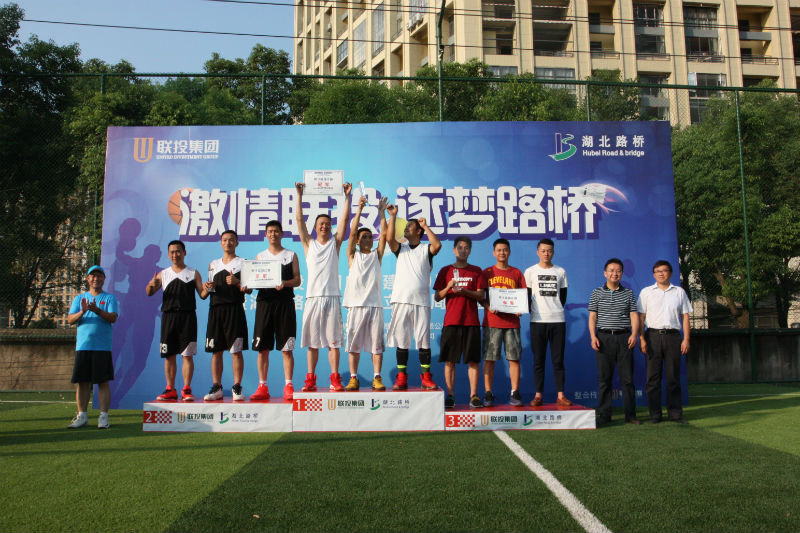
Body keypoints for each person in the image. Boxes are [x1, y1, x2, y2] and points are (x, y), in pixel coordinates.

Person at [295, 181, 352, 392]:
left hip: (332, 297)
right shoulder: (308, 244)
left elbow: (344, 220)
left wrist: (348, 197)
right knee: (312, 343)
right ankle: (310, 380)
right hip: (313, 298)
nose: (324, 226)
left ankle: (335, 379)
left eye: (328, 224)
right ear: (315, 227)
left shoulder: (335, 243)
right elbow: (299, 220)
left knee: (333, 343)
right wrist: (299, 196)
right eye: (321, 224)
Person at [244, 220, 301, 402]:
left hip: (285, 304)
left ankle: (289, 385)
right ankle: (262, 386)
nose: (273, 234)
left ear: (281, 233)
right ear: (266, 234)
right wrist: (246, 286)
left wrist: (285, 283)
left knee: (287, 348)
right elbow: (253, 282)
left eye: (276, 231)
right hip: (265, 304)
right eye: (270, 231)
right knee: (263, 349)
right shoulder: (260, 257)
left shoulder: (291, 255)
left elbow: (297, 280)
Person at [386, 207, 442, 390]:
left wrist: (425, 226)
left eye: (410, 226)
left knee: (423, 341)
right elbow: (389, 239)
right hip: (401, 300)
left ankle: (426, 377)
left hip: (421, 302)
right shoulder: (400, 249)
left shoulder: (426, 249)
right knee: (402, 341)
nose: (406, 228)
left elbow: (437, 246)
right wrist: (393, 216)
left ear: (418, 231)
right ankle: (401, 377)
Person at [145, 240, 208, 402]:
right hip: (169, 317)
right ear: (168, 254)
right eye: (172, 252)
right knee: (169, 355)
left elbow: (202, 294)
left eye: (178, 251)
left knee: (187, 355)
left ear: (184, 252)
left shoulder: (193, 273)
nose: (175, 254)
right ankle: (170, 389)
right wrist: (151, 285)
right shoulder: (163, 274)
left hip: (187, 318)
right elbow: (149, 292)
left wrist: (208, 288)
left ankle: (186, 388)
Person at [342, 196, 389, 391]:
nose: (367, 239)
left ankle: (377, 377)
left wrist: (381, 212)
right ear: (358, 241)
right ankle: (353, 378)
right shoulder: (353, 255)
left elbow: (384, 235)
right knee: (353, 345)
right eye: (364, 237)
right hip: (356, 307)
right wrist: (359, 209)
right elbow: (352, 233)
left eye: (370, 236)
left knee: (376, 346)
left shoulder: (377, 255)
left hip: (374, 306)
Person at [433, 236, 487, 408]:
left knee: (473, 361)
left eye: (466, 248)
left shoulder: (476, 271)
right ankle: (450, 395)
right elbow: (437, 297)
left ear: (470, 251)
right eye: (460, 247)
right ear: (454, 250)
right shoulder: (445, 270)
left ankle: (473, 396)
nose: (463, 250)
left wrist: (464, 291)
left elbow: (481, 295)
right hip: (452, 321)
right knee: (450, 361)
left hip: (471, 321)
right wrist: (449, 286)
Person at [637, 260, 691, 424]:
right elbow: (641, 318)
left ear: (670, 273)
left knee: (673, 377)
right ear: (654, 274)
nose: (661, 273)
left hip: (673, 337)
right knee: (652, 378)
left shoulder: (679, 292)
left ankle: (675, 414)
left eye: (664, 270)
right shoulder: (646, 292)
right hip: (652, 336)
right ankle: (655, 414)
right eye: (657, 271)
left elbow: (685, 316)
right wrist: (641, 338)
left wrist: (686, 339)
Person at [588, 258, 640, 426]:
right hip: (603, 338)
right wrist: (593, 336)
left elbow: (634, 315)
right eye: (611, 270)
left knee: (627, 379)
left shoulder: (628, 293)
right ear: (605, 273)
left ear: (622, 273)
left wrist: (634, 334)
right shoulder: (596, 292)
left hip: (624, 338)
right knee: (604, 379)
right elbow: (593, 316)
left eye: (618, 271)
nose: (614, 273)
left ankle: (630, 415)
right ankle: (604, 415)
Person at [67, 266, 119, 429]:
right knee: (82, 382)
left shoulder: (109, 298)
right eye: (93, 276)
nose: (96, 278)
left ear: (104, 279)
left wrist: (97, 310)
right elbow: (70, 320)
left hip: (102, 347)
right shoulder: (79, 299)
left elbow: (113, 317)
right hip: (83, 347)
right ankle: (82, 416)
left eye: (99, 276)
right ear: (88, 279)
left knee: (102, 382)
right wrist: (82, 312)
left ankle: (103, 417)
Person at [524, 238, 572, 407]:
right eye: (543, 251)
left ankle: (561, 395)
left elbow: (563, 297)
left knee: (558, 360)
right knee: (539, 360)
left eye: (549, 251)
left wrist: (554, 309)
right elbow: (526, 297)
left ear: (553, 252)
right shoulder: (530, 271)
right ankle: (538, 395)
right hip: (537, 321)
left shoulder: (560, 271)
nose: (546, 254)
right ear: (538, 252)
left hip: (558, 320)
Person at [203, 230, 248, 401]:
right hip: (216, 310)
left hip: (234, 309)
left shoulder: (243, 263)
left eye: (231, 240)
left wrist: (237, 282)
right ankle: (217, 387)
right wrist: (207, 287)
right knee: (216, 351)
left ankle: (237, 387)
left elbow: (249, 288)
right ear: (221, 243)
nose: (228, 243)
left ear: (237, 243)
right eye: (224, 240)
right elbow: (206, 291)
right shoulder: (213, 264)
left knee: (236, 351)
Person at [481, 238, 527, 407]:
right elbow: (480, 296)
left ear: (509, 252)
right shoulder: (487, 272)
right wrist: (488, 306)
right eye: (499, 250)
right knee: (489, 359)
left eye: (505, 250)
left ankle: (515, 392)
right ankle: (488, 392)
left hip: (512, 323)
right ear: (494, 253)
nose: (502, 253)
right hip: (492, 322)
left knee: (514, 359)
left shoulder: (516, 273)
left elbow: (523, 296)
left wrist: (521, 308)